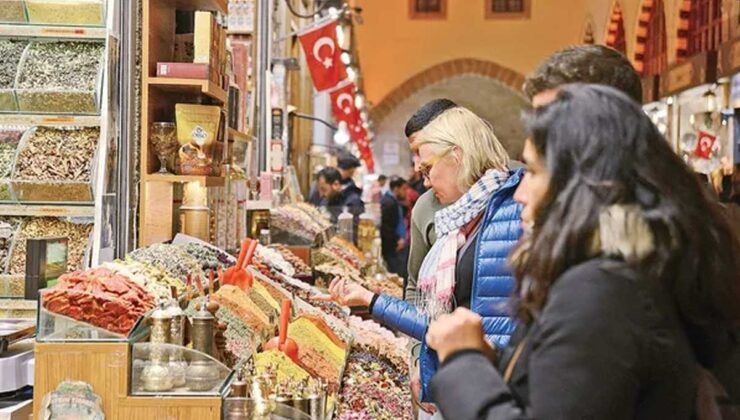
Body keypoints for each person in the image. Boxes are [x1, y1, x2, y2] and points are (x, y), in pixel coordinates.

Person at [425, 84, 740, 420]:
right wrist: (490, 361)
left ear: (577, 182)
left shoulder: (601, 291)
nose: (520, 194)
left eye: (533, 172)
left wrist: (463, 362)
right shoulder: (619, 271)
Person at [317, 105, 523, 405]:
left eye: (427, 168)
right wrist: (370, 299)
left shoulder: (510, 216)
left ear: (458, 155)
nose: (424, 181)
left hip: (493, 392)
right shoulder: (458, 225)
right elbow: (441, 324)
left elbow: (502, 333)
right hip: (466, 387)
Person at [405, 99, 458, 302]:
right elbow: (414, 286)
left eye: (421, 151)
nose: (418, 165)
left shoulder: (509, 188)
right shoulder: (426, 206)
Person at [381, 176, 409, 279]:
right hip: (394, 247)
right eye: (403, 189)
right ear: (396, 188)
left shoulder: (393, 200)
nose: (405, 192)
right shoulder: (388, 203)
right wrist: (396, 241)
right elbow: (386, 227)